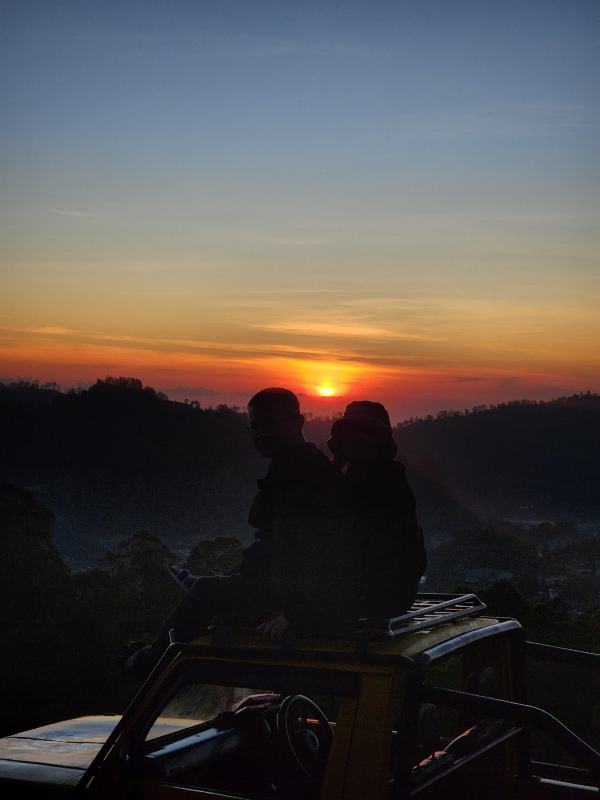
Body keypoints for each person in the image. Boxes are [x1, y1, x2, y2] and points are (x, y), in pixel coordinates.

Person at [135, 388, 356, 673]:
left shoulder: (297, 473)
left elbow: (301, 548)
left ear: (298, 422)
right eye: (254, 426)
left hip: (292, 589)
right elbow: (274, 544)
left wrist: (296, 611)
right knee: (209, 591)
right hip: (287, 582)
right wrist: (232, 579)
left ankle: (147, 663)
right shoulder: (297, 464)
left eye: (270, 423)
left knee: (204, 593)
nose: (261, 434)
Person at [327, 401, 427, 622]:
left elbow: (359, 558)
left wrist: (306, 608)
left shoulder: (383, 487)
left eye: (367, 433)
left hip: (371, 607)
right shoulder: (360, 480)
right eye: (351, 431)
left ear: (382, 441)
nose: (357, 438)